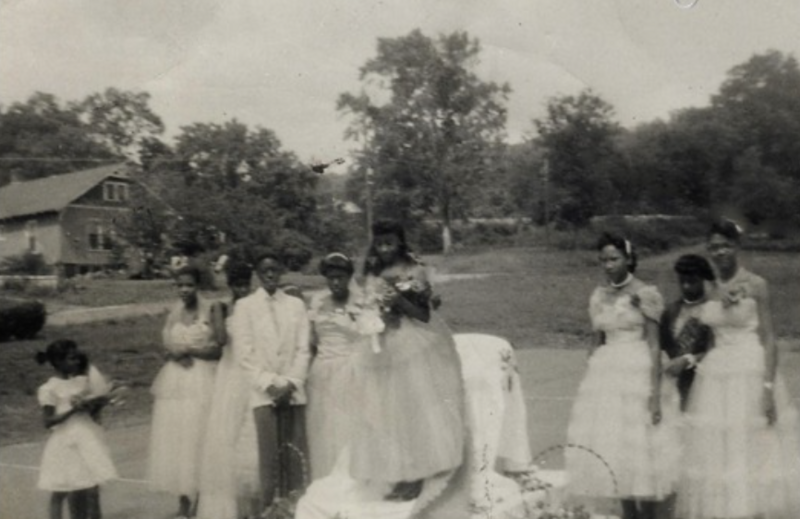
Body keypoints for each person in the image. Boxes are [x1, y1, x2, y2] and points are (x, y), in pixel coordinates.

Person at [677, 220, 800, 519]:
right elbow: (702, 339)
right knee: (719, 453)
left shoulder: (756, 285)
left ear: (737, 246)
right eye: (713, 247)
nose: (720, 252)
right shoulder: (709, 289)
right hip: (716, 378)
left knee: (754, 450)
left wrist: (768, 388)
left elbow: (769, 339)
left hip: (750, 372)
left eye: (725, 246)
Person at [349, 220, 465, 503]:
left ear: (400, 243)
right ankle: (399, 472)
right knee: (389, 414)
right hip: (382, 345)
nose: (384, 249)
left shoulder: (413, 271)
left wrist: (399, 302)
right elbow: (366, 304)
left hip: (410, 346)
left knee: (412, 411)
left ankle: (416, 474)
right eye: (380, 244)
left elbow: (424, 315)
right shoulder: (374, 273)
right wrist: (373, 314)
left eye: (389, 243)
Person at [565, 233, 679, 519]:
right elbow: (596, 341)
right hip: (607, 377)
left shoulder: (646, 294)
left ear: (628, 259)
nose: (608, 265)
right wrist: (591, 384)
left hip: (638, 373)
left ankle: (648, 513)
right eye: (603, 260)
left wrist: (655, 395)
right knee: (614, 449)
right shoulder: (598, 295)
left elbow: (654, 345)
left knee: (641, 450)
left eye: (614, 259)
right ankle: (628, 513)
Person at [232, 251, 312, 510]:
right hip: (264, 394)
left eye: (274, 270)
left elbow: (303, 349)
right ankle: (270, 511)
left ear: (280, 271)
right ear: (257, 274)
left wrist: (290, 383)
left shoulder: (295, 305)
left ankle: (297, 510)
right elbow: (244, 354)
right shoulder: (245, 307)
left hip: (293, 392)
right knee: (269, 462)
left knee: (295, 458)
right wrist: (270, 384)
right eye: (264, 270)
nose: (269, 275)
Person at [147, 265, 224, 519]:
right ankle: (183, 502)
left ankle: (201, 502)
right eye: (180, 285)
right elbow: (167, 346)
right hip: (175, 380)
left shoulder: (211, 309)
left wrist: (190, 351)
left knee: (199, 437)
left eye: (189, 285)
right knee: (177, 439)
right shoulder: (174, 312)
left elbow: (219, 350)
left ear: (198, 286)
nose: (184, 290)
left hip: (202, 379)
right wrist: (175, 355)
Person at [196, 262, 261, 519]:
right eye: (237, 285)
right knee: (227, 433)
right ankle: (230, 505)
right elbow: (221, 340)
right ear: (230, 286)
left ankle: (253, 501)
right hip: (231, 374)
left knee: (250, 434)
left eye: (246, 284)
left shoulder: (256, 307)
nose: (242, 289)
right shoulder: (222, 308)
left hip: (252, 371)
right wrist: (219, 312)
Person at [35, 340, 118, 519]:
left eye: (77, 358)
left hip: (88, 436)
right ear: (58, 361)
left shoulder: (82, 382)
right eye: (72, 358)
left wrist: (98, 403)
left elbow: (91, 411)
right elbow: (48, 421)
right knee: (62, 489)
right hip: (66, 441)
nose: (77, 362)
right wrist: (73, 409)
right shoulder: (49, 388)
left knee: (92, 484)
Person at [306, 252, 367, 480]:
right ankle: (326, 479)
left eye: (340, 277)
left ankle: (350, 479)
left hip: (350, 370)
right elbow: (311, 340)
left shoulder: (360, 302)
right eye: (331, 278)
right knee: (324, 427)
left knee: (347, 425)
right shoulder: (317, 302)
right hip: (322, 371)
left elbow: (367, 338)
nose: (335, 283)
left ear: (349, 277)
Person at [659, 254, 715, 410]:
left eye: (692, 282)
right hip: (672, 381)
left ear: (703, 279)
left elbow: (716, 349)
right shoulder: (670, 310)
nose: (686, 287)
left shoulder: (712, 309)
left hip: (702, 380)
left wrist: (688, 360)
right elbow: (662, 345)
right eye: (682, 281)